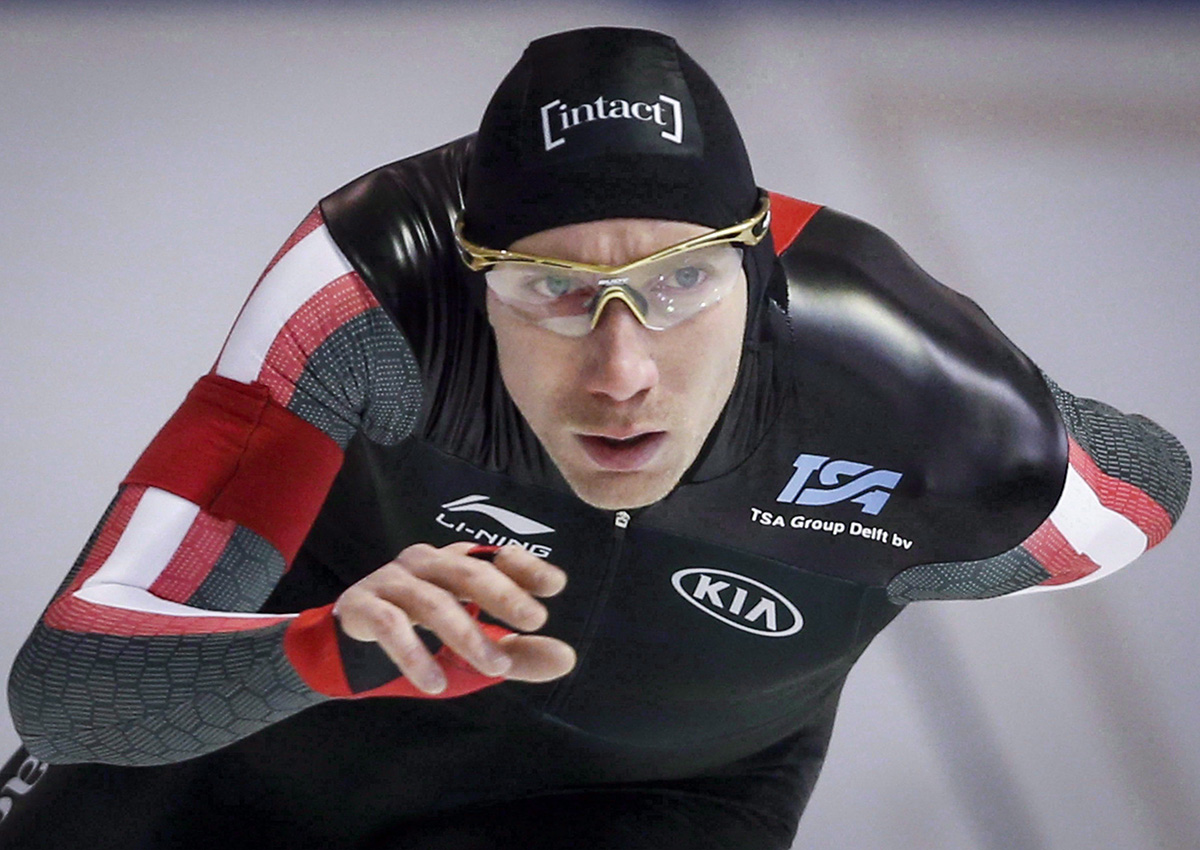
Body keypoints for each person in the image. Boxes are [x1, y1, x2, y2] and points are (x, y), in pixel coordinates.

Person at [0, 26, 1189, 850]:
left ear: (762, 281)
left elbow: (1147, 489)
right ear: (471, 288)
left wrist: (901, 506)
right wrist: (313, 650)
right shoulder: (366, 300)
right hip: (277, 735)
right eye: (549, 291)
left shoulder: (924, 402)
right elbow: (67, 692)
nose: (621, 371)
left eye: (679, 288)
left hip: (658, 803)